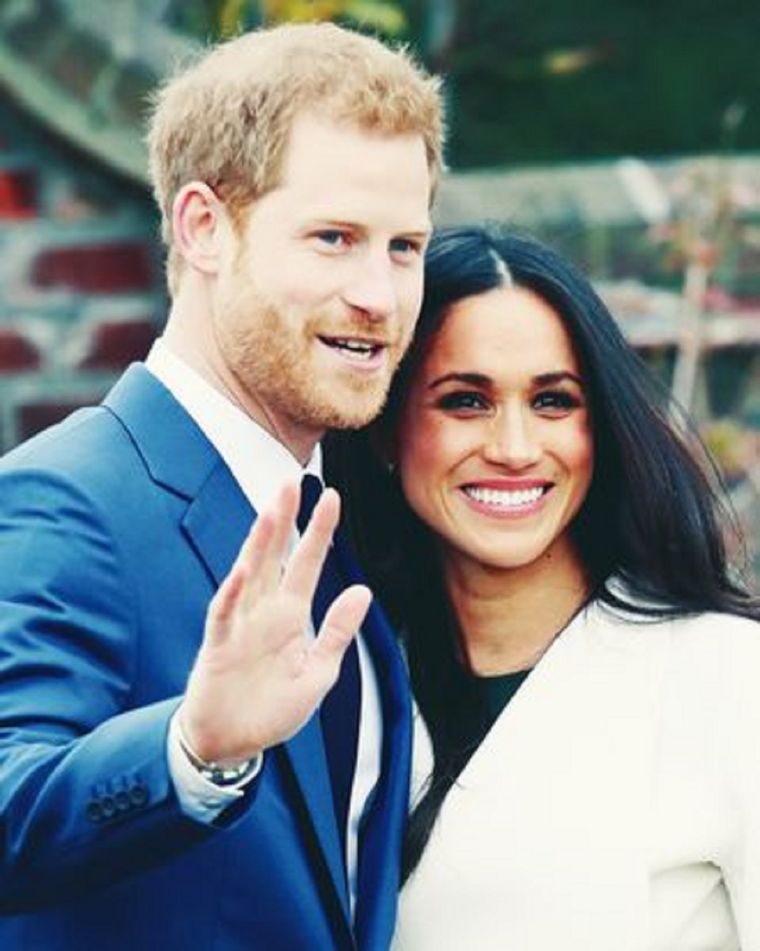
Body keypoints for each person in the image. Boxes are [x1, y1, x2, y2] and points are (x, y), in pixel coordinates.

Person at [0, 23, 443, 950]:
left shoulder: (345, 518)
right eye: (334, 237)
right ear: (204, 228)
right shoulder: (64, 498)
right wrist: (192, 752)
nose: (380, 294)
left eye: (404, 246)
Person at [328, 226, 760, 950]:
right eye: (465, 401)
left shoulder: (726, 678)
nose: (516, 448)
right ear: (384, 428)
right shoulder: (344, 688)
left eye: (554, 401)